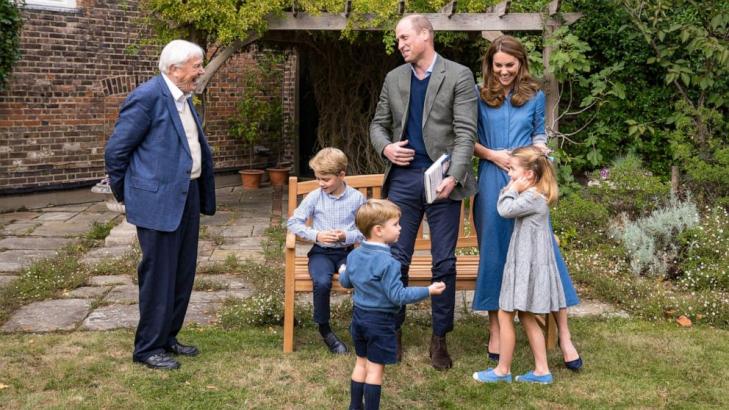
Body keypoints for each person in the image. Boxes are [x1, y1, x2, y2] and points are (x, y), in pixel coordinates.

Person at [370, 14, 477, 370]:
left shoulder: (459, 75)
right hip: (402, 180)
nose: (399, 44)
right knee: (395, 260)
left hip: (443, 181)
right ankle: (393, 331)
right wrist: (386, 148)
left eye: (404, 37)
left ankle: (440, 338)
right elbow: (377, 124)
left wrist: (456, 175)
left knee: (443, 262)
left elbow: (465, 133)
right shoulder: (394, 78)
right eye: (398, 39)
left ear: (426, 35)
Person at [471, 35, 582, 371]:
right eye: (498, 65)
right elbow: (467, 138)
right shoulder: (478, 94)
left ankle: (564, 335)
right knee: (495, 251)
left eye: (510, 65)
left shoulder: (533, 95)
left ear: (521, 63)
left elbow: (539, 133)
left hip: (528, 180)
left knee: (544, 251)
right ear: (490, 64)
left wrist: (537, 150)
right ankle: (495, 328)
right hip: (492, 179)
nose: (504, 71)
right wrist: (493, 155)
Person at [104, 39, 216, 370]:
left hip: (187, 195)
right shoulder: (147, 97)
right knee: (159, 275)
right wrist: (129, 193)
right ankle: (147, 348)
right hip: (158, 201)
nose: (200, 71)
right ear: (174, 69)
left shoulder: (183, 98)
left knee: (182, 272)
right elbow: (116, 151)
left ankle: (168, 337)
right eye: (196, 65)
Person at [340, 199, 446, 409]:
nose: (400, 228)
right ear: (379, 230)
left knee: (361, 362)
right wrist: (428, 290)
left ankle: (354, 406)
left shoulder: (353, 255)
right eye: (396, 224)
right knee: (375, 369)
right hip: (380, 322)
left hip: (359, 318)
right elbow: (397, 296)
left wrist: (344, 270)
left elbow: (346, 282)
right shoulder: (389, 263)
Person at [473, 146, 566, 384]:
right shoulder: (535, 195)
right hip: (525, 264)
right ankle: (542, 370)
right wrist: (515, 185)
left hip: (525, 267)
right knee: (525, 316)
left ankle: (502, 371)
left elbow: (504, 209)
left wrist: (511, 188)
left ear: (530, 175)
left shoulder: (532, 197)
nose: (509, 174)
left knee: (505, 314)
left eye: (513, 170)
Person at [287, 147, 366, 354]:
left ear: (341, 175)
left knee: (361, 278)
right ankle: (325, 329)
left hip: (348, 253)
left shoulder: (356, 199)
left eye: (326, 179)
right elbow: (293, 223)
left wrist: (346, 236)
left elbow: (366, 231)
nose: (321, 183)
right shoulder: (315, 196)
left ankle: (359, 326)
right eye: (318, 179)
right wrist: (316, 235)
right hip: (321, 253)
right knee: (321, 282)